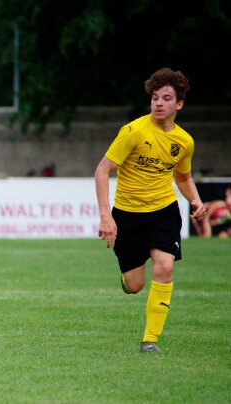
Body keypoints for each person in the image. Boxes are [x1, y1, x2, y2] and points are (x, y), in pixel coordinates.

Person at [94, 67, 207, 353]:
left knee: (165, 267)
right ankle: (127, 278)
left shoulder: (184, 141)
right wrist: (106, 216)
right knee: (134, 286)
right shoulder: (133, 131)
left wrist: (195, 200)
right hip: (128, 216)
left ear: (178, 104)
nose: (158, 103)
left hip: (163, 212)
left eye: (166, 98)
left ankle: (150, 340)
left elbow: (182, 177)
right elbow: (102, 170)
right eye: (155, 97)